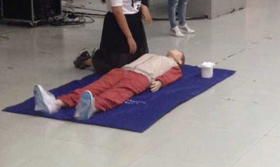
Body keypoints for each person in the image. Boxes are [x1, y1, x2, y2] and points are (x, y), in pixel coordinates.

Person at [35, 50, 185, 121]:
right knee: (96, 86)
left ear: (180, 61)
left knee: (118, 92)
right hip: (122, 71)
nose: (173, 50)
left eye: (177, 52)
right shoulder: (152, 54)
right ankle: (56, 103)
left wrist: (161, 81)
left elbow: (173, 75)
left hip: (142, 77)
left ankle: (92, 107)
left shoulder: (173, 65)